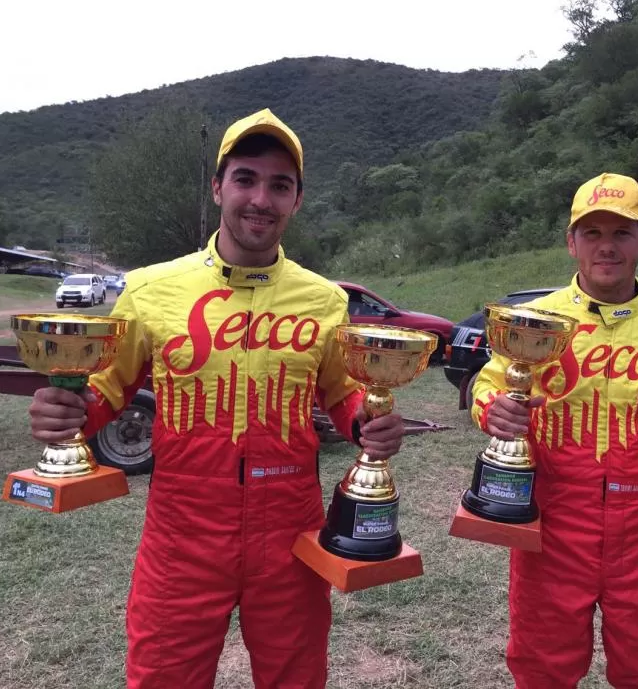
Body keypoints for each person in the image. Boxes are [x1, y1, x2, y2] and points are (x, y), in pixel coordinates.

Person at [27, 108, 406, 688]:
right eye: (246, 179)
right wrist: (70, 409)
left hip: (290, 531)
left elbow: (343, 391)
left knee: (296, 678)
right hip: (182, 532)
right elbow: (107, 385)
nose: (261, 198)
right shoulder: (151, 289)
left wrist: (368, 424)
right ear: (218, 187)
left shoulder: (324, 300)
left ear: (296, 201)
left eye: (280, 185)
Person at [471, 172, 638, 689]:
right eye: (592, 233)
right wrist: (492, 409)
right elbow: (489, 384)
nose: (606, 247)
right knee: (542, 668)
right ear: (571, 243)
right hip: (553, 521)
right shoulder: (534, 320)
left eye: (621, 233)